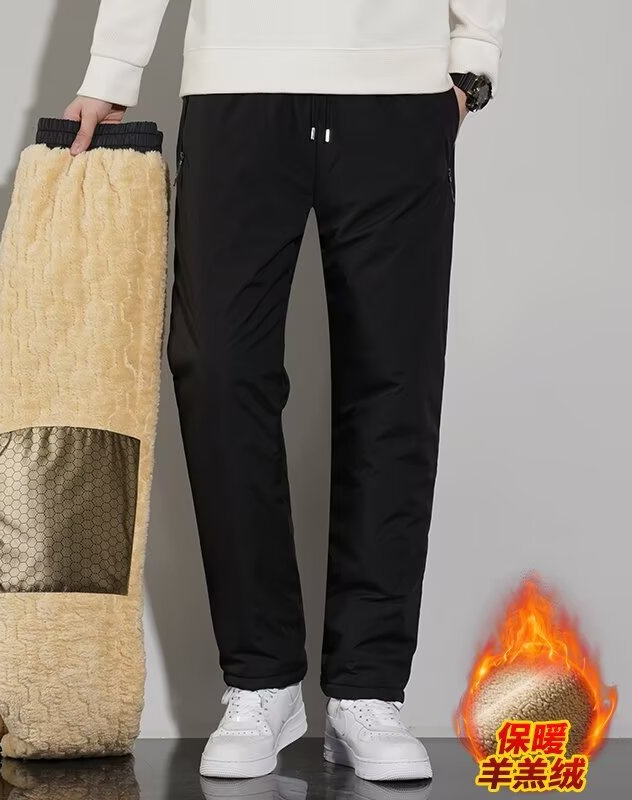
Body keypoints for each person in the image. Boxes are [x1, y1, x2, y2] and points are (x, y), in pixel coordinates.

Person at [64, 0, 506, 783]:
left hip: (397, 91)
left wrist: (473, 55)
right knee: (218, 368)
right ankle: (261, 680)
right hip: (236, 83)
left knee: (394, 384)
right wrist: (114, 67)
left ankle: (368, 690)